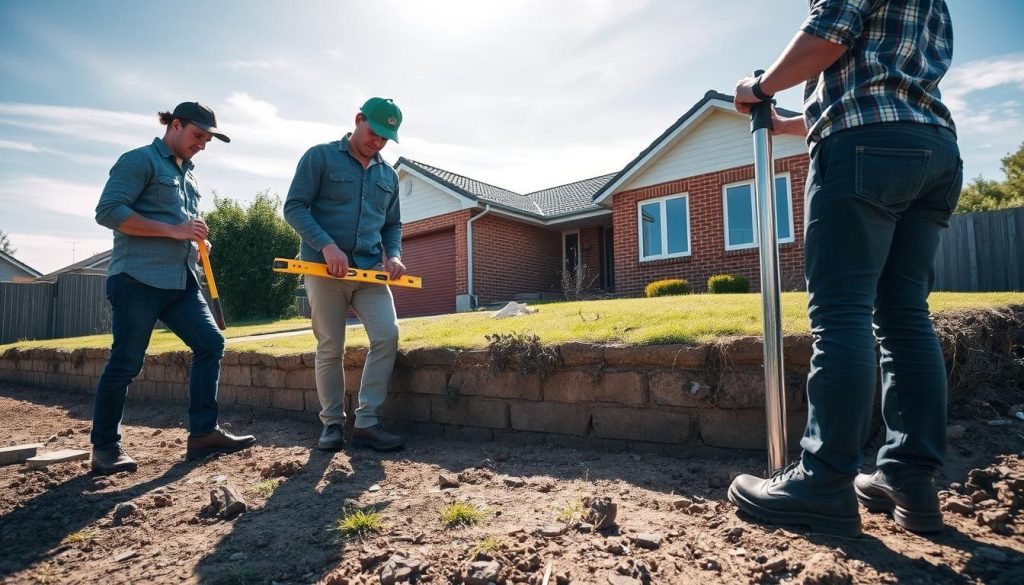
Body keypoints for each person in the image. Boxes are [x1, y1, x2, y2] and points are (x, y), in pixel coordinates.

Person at [728, 0, 962, 537]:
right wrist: (788, 121)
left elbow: (828, 37)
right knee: (905, 315)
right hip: (933, 148)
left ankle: (823, 482)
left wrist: (761, 88)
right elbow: (869, 71)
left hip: (863, 147)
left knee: (841, 313)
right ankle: (910, 480)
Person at [91, 102, 257, 474]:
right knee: (126, 363)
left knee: (210, 343)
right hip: (137, 279)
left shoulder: (190, 176)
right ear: (175, 125)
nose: (203, 144)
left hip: (181, 279)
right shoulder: (139, 161)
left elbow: (181, 224)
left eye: (208, 139)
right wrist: (174, 231)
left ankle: (203, 433)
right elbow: (109, 211)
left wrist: (196, 242)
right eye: (198, 136)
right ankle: (104, 448)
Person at [284, 97, 407, 452]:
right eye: (374, 133)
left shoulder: (388, 175)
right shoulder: (319, 157)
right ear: (358, 120)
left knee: (387, 335)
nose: (378, 142)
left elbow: (393, 224)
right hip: (324, 270)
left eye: (386, 138)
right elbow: (293, 207)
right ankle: (332, 425)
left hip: (369, 273)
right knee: (330, 346)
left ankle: (367, 422)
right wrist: (326, 245)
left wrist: (394, 254)